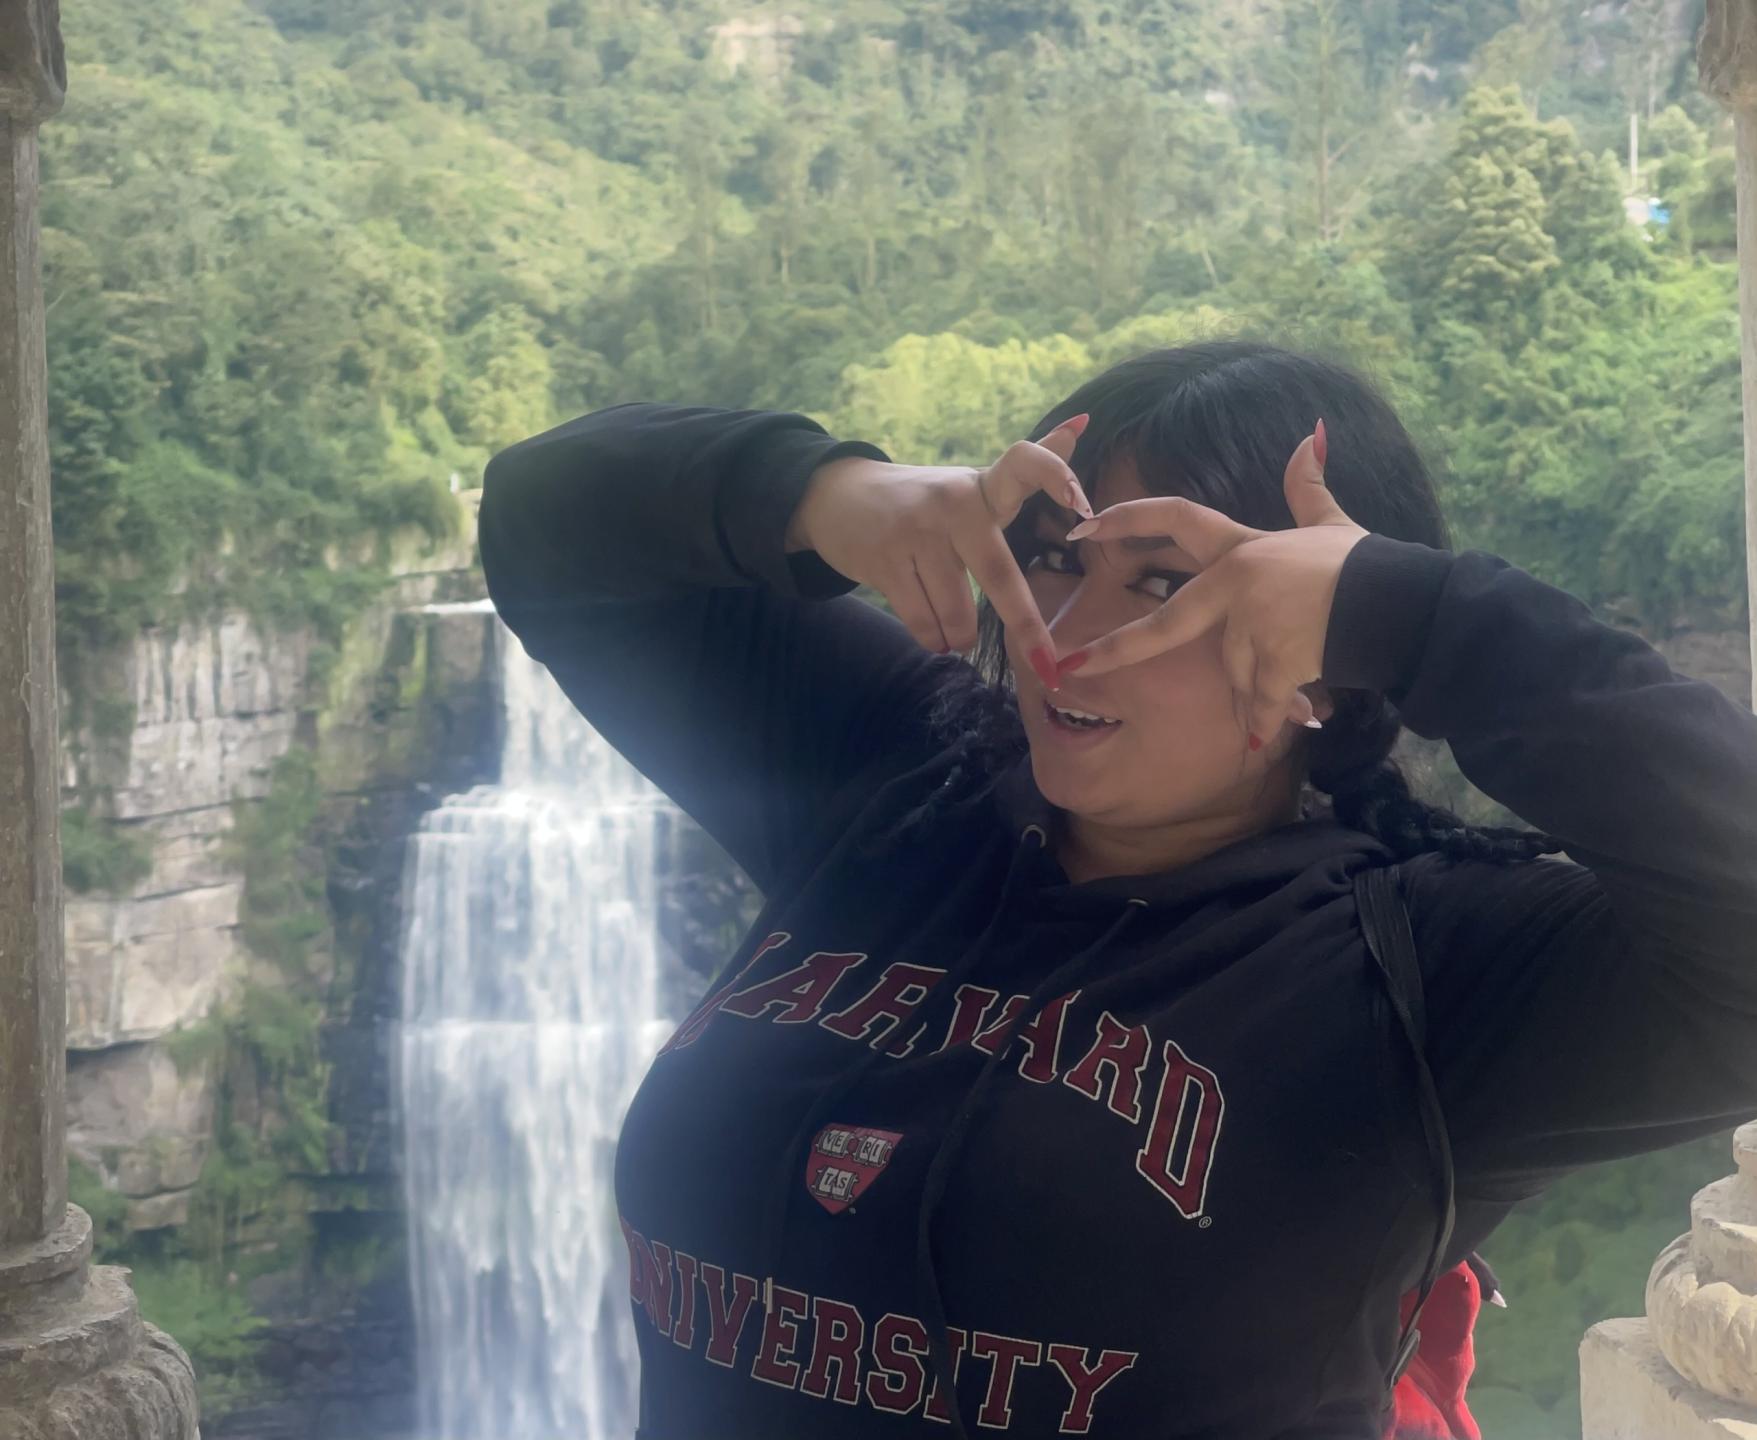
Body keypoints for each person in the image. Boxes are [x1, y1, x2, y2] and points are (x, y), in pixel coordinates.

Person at [475, 338, 1757, 1439]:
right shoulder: (892, 778)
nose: (1063, 635)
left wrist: (1418, 614)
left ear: (1320, 644)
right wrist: (819, 493)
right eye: (1049, 557)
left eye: (1161, 582)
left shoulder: (1420, 974)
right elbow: (543, 522)